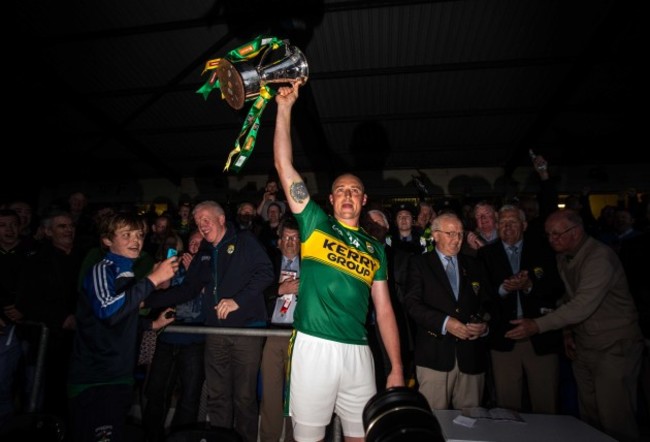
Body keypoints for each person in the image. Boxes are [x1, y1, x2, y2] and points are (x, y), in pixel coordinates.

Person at [274, 82, 404, 442]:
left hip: (359, 353)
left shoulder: (376, 249)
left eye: (355, 191)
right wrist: (285, 107)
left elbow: (386, 311)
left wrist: (396, 366)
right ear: (331, 199)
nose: (348, 195)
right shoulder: (314, 223)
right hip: (313, 347)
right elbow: (284, 166)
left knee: (362, 437)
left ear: (363, 201)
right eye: (341, 190)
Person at [505, 209, 644, 442]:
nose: (552, 239)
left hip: (613, 346)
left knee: (616, 418)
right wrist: (568, 332)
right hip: (586, 346)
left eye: (557, 234)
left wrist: (537, 325)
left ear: (576, 231)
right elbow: (567, 299)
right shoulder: (565, 257)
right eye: (549, 235)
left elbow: (581, 305)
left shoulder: (599, 258)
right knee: (590, 417)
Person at [67, 212, 179, 442]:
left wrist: (151, 324)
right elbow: (108, 311)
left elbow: (123, 317)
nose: (135, 240)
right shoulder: (103, 269)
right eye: (126, 235)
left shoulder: (128, 274)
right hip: (95, 379)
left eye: (139, 234)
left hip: (119, 375)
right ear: (107, 240)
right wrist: (152, 280)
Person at [477, 205, 564, 413]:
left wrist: (529, 286)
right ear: (497, 226)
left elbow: (557, 289)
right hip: (503, 338)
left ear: (524, 225)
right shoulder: (485, 255)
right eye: (503, 222)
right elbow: (481, 295)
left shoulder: (544, 250)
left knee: (546, 405)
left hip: (540, 337)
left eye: (513, 222)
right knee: (507, 407)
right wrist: (502, 289)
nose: (507, 226)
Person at [403, 212, 491, 410]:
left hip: (472, 358)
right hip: (434, 357)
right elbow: (412, 304)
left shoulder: (474, 264)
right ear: (435, 235)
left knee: (471, 425)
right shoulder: (419, 264)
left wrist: (484, 326)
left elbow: (488, 303)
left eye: (460, 234)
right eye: (450, 233)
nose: (456, 239)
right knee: (434, 421)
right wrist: (445, 323)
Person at [141, 230, 207, 442]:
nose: (195, 246)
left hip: (194, 339)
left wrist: (193, 273)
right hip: (168, 334)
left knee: (189, 395)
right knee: (157, 392)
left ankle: (182, 438)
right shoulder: (175, 264)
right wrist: (163, 275)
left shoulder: (211, 266)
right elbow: (160, 292)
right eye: (192, 242)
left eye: (200, 242)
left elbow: (209, 297)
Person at [259, 216, 301, 442]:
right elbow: (256, 292)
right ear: (279, 241)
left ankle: (295, 438)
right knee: (271, 392)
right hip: (273, 333)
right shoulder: (269, 263)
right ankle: (268, 438)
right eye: (287, 238)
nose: (291, 242)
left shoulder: (311, 265)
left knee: (298, 394)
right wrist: (280, 288)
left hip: (300, 335)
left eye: (295, 238)